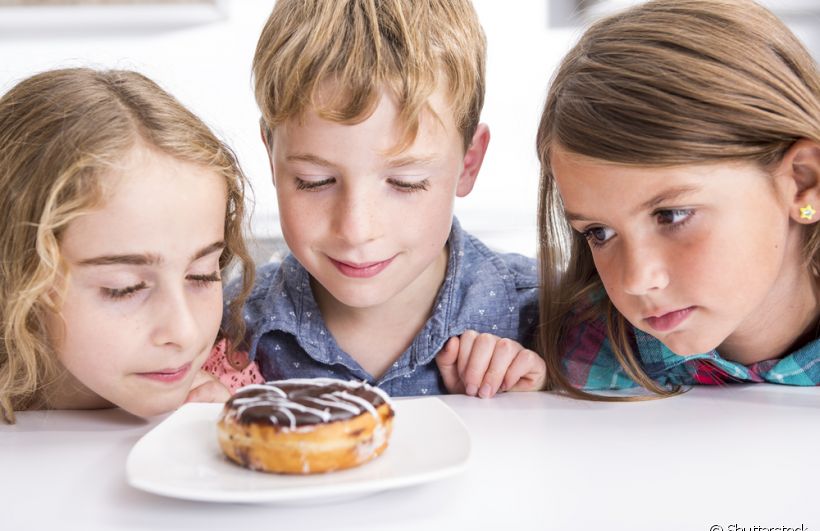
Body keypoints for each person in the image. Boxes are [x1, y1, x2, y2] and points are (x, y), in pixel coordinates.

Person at [229, 0, 546, 398]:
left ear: (468, 164)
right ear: (272, 161)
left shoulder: (549, 316)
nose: (357, 230)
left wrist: (546, 401)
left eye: (405, 182)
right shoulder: (227, 325)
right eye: (315, 180)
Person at [534, 0, 820, 398]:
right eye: (599, 232)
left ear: (804, 182)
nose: (636, 280)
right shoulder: (579, 355)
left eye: (671, 215)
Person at [0, 68, 257, 423]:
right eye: (125, 288)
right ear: (19, 275)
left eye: (201, 276)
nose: (183, 332)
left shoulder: (237, 381)